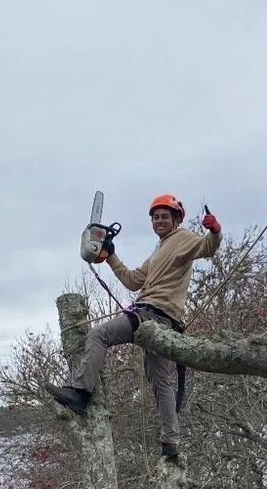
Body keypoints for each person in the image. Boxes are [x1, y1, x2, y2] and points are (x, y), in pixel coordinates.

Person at [45, 194, 222, 460]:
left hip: (154, 316)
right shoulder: (159, 249)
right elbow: (133, 280)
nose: (159, 220)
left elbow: (207, 247)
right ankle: (170, 444)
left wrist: (215, 231)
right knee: (160, 381)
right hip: (161, 320)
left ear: (176, 219)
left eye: (164, 216)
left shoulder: (183, 238)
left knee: (99, 334)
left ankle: (80, 393)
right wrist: (112, 257)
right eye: (155, 217)